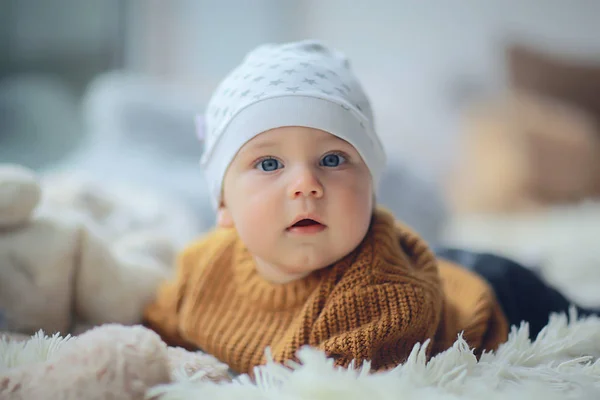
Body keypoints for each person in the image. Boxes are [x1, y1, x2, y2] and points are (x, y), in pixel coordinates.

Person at [143, 40, 590, 375]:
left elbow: (341, 383)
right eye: (269, 163)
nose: (305, 185)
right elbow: (157, 323)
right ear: (223, 205)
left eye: (333, 159)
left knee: (586, 319)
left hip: (493, 288)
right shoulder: (201, 268)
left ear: (371, 188)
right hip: (441, 258)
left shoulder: (382, 296)